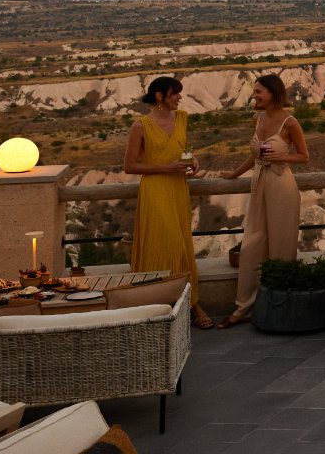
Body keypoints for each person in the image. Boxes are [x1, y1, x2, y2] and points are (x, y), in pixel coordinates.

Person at [123, 75, 214, 328]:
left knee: (182, 246)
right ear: (160, 96)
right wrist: (167, 167)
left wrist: (191, 160)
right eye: (175, 93)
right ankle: (165, 303)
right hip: (155, 190)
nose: (180, 98)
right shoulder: (141, 125)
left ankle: (191, 302)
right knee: (164, 245)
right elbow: (130, 166)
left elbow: (180, 149)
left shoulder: (182, 118)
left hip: (178, 188)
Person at [221, 74, 309, 328]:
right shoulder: (258, 118)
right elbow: (255, 156)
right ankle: (243, 307)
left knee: (281, 246)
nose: (254, 96)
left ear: (272, 93)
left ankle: (282, 306)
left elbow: (304, 156)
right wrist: (234, 174)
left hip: (281, 186)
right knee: (251, 246)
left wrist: (281, 158)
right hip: (259, 184)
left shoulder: (290, 122)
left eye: (258, 92)